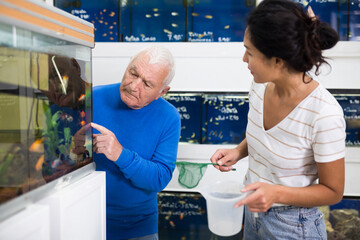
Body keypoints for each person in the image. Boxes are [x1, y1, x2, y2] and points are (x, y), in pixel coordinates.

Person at [210, 0, 345, 239]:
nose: (244, 59)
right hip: (253, 212)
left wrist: (276, 194)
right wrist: (239, 151)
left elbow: (333, 192)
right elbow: (265, 136)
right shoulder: (260, 86)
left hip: (293, 226)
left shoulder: (323, 114)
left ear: (277, 61)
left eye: (250, 52)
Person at [91, 46, 181, 240]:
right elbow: (56, 157)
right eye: (133, 73)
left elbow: (159, 178)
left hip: (137, 226)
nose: (133, 86)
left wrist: (120, 154)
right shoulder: (92, 98)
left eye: (147, 84)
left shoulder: (169, 117)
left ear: (162, 92)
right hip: (85, 217)